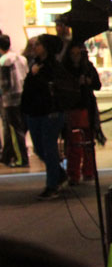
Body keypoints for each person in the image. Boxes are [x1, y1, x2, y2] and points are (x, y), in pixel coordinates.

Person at [21, 35, 70, 199]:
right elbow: (29, 88)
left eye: (39, 44)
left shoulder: (53, 67)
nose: (35, 47)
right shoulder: (34, 64)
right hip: (35, 112)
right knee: (39, 148)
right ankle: (59, 174)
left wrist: (35, 76)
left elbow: (51, 88)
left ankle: (52, 184)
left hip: (51, 112)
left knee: (49, 148)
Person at [62, 42, 101, 184]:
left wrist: (88, 81)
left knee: (88, 142)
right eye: (73, 54)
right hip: (73, 108)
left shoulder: (88, 67)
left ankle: (88, 171)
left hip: (87, 106)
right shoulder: (66, 69)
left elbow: (97, 85)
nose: (75, 57)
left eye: (78, 54)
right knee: (74, 144)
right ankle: (74, 173)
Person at [0, 34, 29, 167]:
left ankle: (20, 158)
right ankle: (20, 156)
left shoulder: (4, 61)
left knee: (14, 130)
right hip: (23, 97)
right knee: (21, 128)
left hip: (10, 100)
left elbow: (4, 84)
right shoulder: (21, 58)